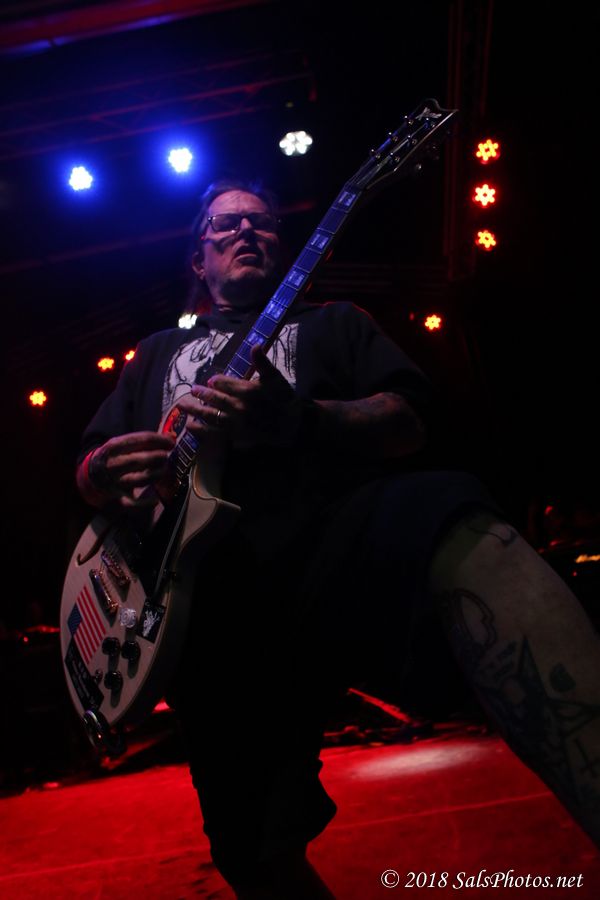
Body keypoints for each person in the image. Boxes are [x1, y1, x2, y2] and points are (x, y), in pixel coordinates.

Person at [75, 179, 600, 898]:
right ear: (198, 258)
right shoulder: (156, 352)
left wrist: (299, 418)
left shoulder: (335, 323)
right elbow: (91, 467)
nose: (247, 231)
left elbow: (408, 422)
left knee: (453, 510)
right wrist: (100, 468)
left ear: (282, 247)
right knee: (252, 855)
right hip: (207, 600)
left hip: (330, 541)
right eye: (226, 224)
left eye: (262, 222)